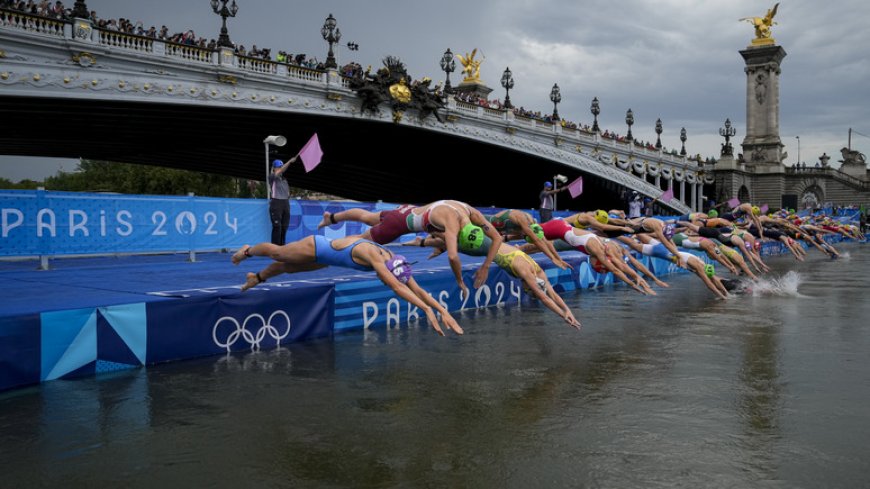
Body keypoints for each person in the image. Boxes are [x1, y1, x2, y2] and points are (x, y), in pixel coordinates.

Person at [231, 235, 463, 337]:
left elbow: (417, 289)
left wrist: (441, 311)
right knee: (280, 253)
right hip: (317, 247)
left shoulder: (395, 260)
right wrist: (425, 310)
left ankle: (257, 278)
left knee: (287, 267)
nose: (382, 280)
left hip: (325, 261)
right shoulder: (376, 257)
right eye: (385, 277)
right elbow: (397, 287)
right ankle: (248, 250)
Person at [318, 200, 504, 298]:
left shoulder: (471, 212)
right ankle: (327, 247)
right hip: (399, 224)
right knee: (360, 241)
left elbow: (496, 237)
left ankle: (332, 218)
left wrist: (486, 265)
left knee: (368, 217)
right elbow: (454, 257)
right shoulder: (453, 225)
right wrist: (460, 282)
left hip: (405, 210)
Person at [268, 156, 296, 245]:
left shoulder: (284, 180)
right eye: (278, 167)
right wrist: (290, 162)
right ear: (274, 168)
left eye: (281, 166)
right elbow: (281, 171)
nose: (280, 168)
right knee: (277, 226)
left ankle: (281, 247)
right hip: (276, 202)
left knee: (284, 227)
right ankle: (274, 248)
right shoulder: (272, 177)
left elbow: (288, 192)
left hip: (285, 203)